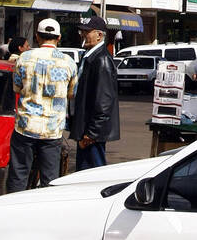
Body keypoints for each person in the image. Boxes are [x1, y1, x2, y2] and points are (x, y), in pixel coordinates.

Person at [7, 18, 77, 192]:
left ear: (37, 36)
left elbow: (16, 87)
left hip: (25, 126)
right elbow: (71, 93)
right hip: (52, 130)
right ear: (59, 37)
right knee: (50, 179)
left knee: (19, 174)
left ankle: (13, 211)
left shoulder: (24, 58)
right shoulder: (68, 62)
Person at [71, 16, 120, 169]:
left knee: (92, 174)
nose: (83, 35)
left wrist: (91, 134)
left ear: (99, 35)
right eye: (82, 31)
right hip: (86, 129)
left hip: (92, 134)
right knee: (83, 175)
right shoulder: (90, 57)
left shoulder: (101, 60)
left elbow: (104, 101)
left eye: (87, 31)